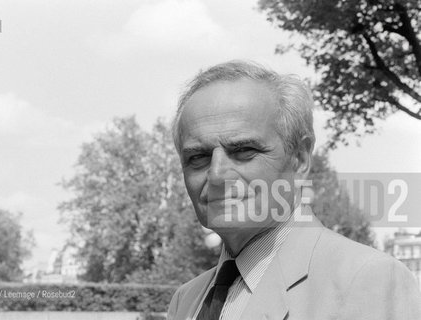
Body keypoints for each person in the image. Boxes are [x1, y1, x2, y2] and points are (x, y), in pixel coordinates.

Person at [167, 60, 421, 320]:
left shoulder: (368, 281)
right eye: (198, 156)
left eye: (244, 150)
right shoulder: (186, 301)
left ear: (299, 158)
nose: (217, 174)